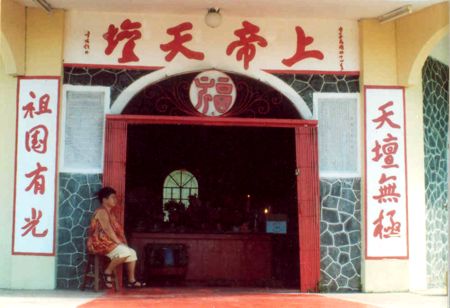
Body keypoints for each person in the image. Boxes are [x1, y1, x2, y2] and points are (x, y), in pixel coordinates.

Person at [87, 186, 146, 288]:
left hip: (109, 242)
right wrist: (118, 242)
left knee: (132, 252)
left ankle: (131, 281)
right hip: (99, 243)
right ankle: (107, 272)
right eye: (113, 197)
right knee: (126, 251)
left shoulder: (110, 213)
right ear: (104, 200)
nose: (115, 200)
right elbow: (107, 229)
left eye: (115, 197)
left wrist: (120, 242)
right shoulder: (101, 211)